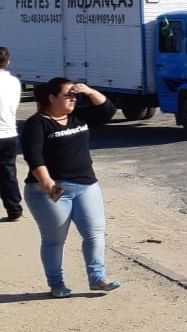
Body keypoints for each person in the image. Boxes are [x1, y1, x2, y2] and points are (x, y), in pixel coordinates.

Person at [21, 78, 120, 298]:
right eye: (68, 95)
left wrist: (89, 90)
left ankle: (98, 279)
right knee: (55, 239)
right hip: (51, 190)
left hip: (86, 186)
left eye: (75, 95)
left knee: (95, 234)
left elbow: (108, 110)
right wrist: (46, 182)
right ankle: (57, 284)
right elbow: (33, 155)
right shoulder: (37, 123)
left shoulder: (79, 117)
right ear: (52, 97)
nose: (73, 99)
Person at [0, 47, 23, 222]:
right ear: (7, 62)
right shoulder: (14, 82)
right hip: (9, 133)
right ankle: (14, 209)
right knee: (8, 173)